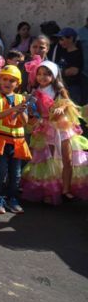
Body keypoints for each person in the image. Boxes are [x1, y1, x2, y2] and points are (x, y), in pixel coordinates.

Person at [22, 59, 88, 203]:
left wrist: (62, 107)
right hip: (46, 128)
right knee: (49, 160)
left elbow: (69, 103)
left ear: (54, 76)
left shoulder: (58, 90)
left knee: (67, 159)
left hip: (62, 128)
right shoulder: (35, 92)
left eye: (47, 74)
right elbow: (34, 111)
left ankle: (66, 189)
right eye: (39, 74)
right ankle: (50, 189)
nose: (42, 77)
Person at [0, 65, 31, 214]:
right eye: (5, 79)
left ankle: (12, 198)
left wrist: (21, 110)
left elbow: (25, 121)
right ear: (0, 80)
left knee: (16, 174)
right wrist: (13, 109)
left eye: (12, 80)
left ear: (17, 83)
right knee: (1, 172)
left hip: (18, 142)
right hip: (1, 141)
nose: (8, 82)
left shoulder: (21, 99)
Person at [54, 28, 84, 104]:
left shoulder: (77, 53)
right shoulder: (63, 51)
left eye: (62, 39)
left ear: (71, 38)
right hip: (63, 86)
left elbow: (74, 71)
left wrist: (56, 72)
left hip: (73, 88)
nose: (60, 42)